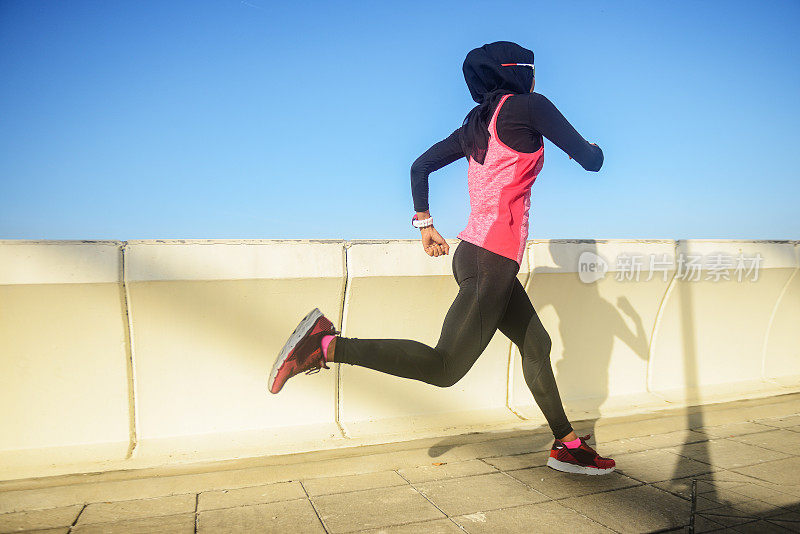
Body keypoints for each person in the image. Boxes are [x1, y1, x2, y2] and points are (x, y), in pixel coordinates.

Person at [268, 41, 615, 475]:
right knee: (444, 367)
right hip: (492, 260)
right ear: (519, 73)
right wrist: (593, 146)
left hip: (473, 253)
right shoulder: (530, 107)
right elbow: (591, 161)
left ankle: (566, 445)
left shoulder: (477, 125)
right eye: (532, 71)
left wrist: (425, 223)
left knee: (536, 344)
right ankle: (325, 345)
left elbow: (419, 166)